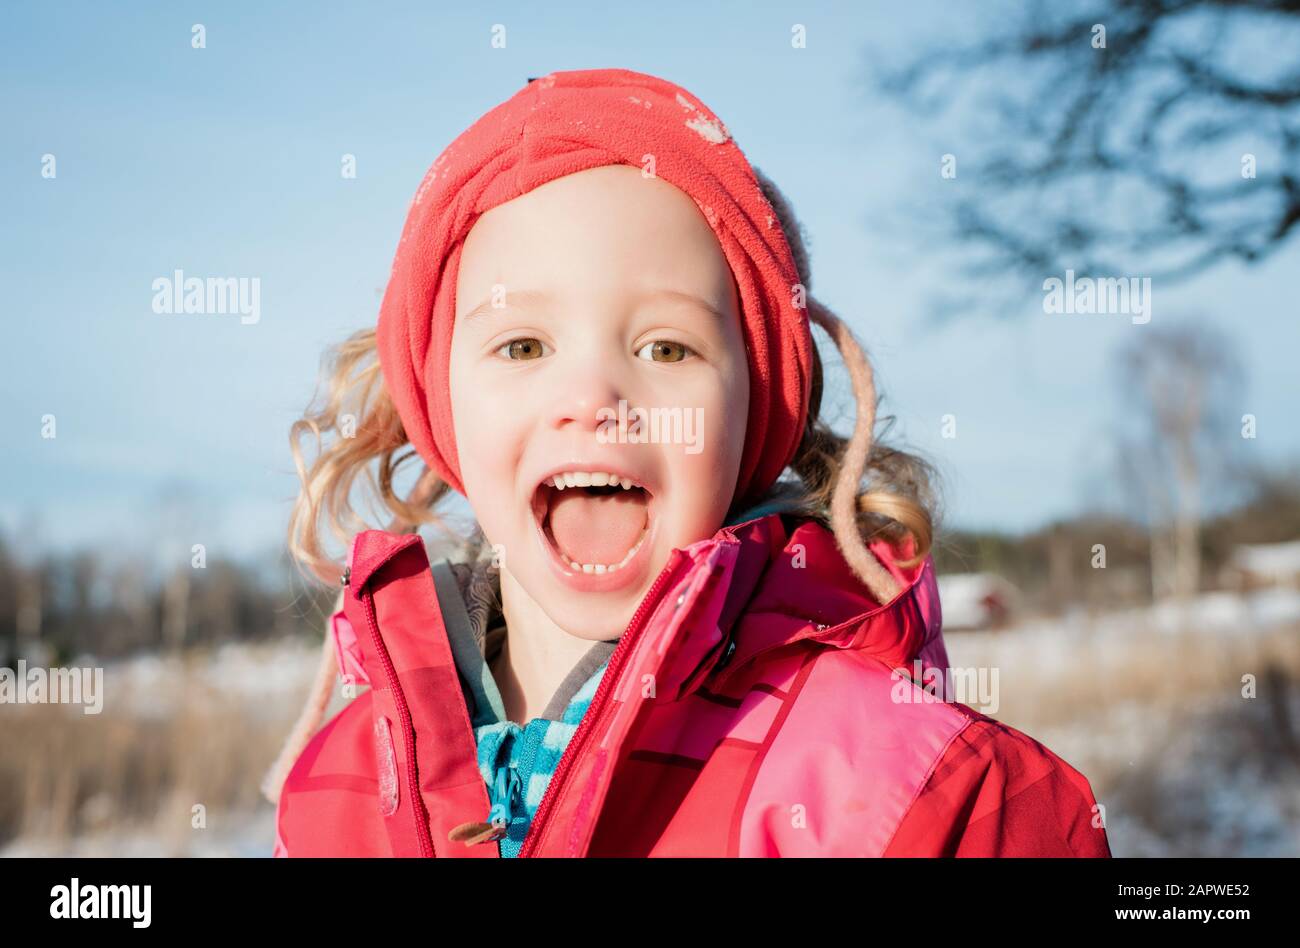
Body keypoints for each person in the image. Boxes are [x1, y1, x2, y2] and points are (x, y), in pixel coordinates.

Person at [260, 68, 1111, 858]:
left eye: (667, 347)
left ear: (757, 413)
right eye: (523, 345)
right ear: (439, 407)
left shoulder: (927, 797)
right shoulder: (334, 793)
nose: (594, 395)